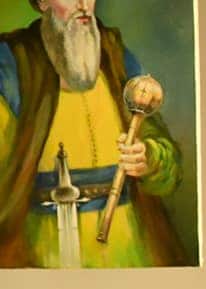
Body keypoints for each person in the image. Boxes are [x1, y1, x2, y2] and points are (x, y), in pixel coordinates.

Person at [0, 0, 186, 267]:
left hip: (126, 247)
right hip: (46, 251)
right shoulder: (11, 64)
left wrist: (149, 158)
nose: (83, 4)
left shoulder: (116, 55)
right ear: (41, 2)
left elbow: (167, 161)